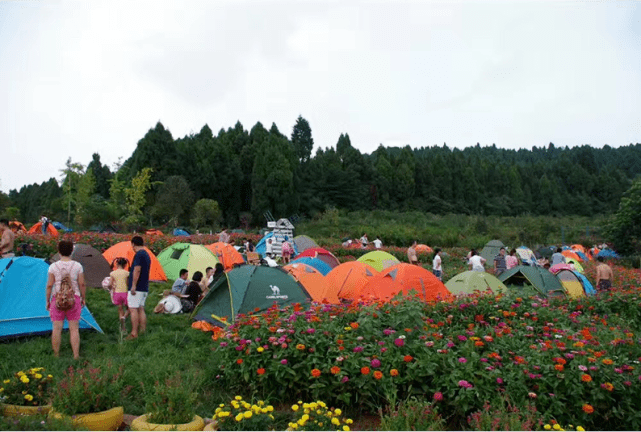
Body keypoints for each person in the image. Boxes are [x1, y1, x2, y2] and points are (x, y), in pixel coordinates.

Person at [45, 240, 85, 359]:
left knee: (56, 328)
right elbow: (82, 284)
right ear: (72, 251)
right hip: (74, 298)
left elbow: (49, 285)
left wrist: (48, 300)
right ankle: (76, 355)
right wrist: (83, 298)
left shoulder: (53, 266)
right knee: (74, 328)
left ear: (59, 251)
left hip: (57, 299)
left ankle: (56, 355)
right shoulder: (78, 266)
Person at [127, 236, 151, 340]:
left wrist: (133, 285)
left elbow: (137, 270)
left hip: (137, 288)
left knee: (133, 309)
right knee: (141, 308)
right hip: (144, 286)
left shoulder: (139, 255)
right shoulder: (146, 254)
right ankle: (142, 330)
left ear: (133, 244)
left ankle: (134, 333)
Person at [109, 258, 130, 333]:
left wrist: (110, 288)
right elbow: (128, 284)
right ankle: (124, 317)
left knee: (120, 309)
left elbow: (110, 284)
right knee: (129, 308)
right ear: (125, 265)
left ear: (116, 265)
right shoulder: (127, 273)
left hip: (117, 293)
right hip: (125, 293)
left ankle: (123, 327)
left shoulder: (113, 273)